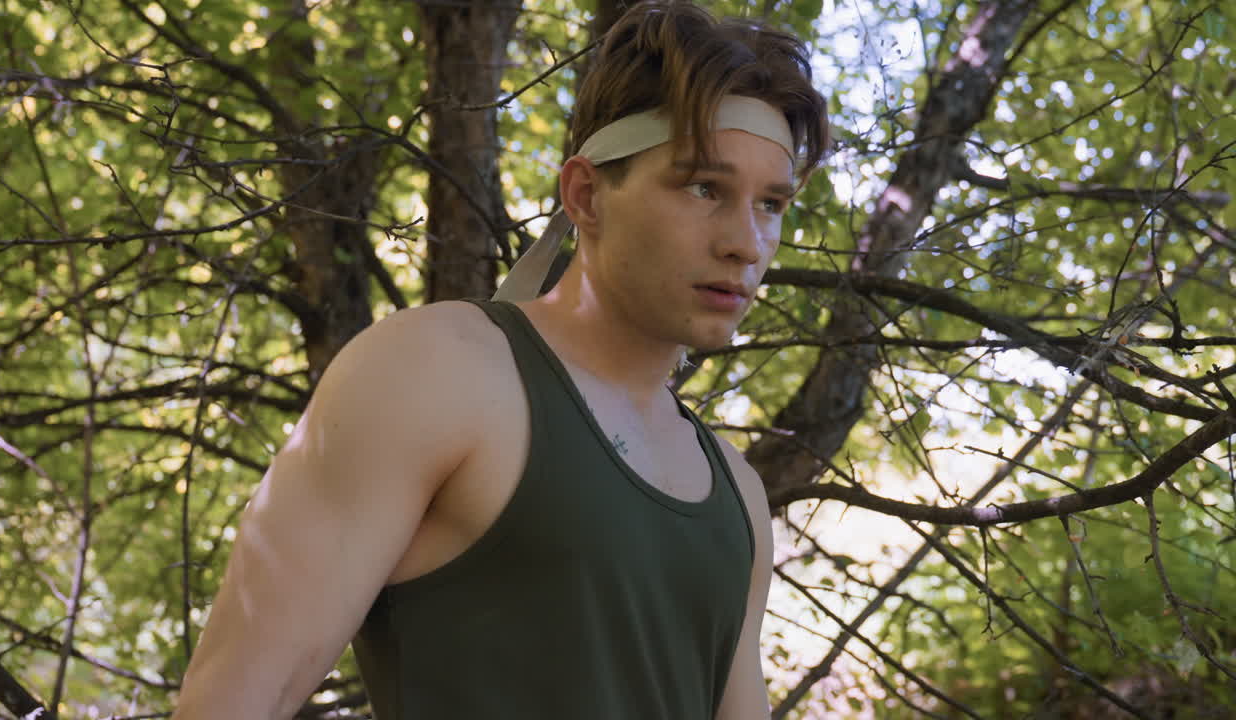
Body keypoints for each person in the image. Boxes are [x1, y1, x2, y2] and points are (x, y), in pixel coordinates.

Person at [171, 2, 830, 718]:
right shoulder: (437, 372)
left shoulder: (736, 496)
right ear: (586, 195)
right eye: (705, 188)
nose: (747, 242)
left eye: (771, 203)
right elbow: (231, 702)